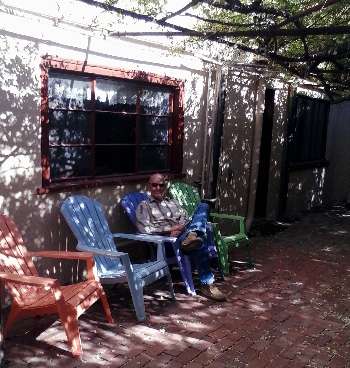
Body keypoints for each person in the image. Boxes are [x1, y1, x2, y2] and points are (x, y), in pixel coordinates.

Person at [135, 173, 226, 302]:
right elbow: (144, 228)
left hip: (183, 232)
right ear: (149, 186)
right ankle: (207, 284)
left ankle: (192, 235)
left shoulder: (173, 202)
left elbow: (185, 216)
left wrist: (181, 227)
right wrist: (169, 230)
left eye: (161, 185)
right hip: (168, 242)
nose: (158, 188)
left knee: (204, 206)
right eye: (154, 185)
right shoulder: (144, 206)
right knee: (200, 242)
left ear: (165, 186)